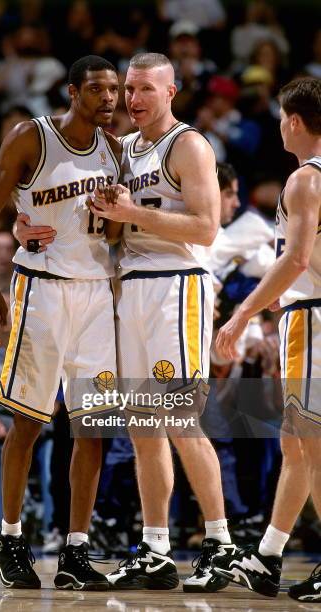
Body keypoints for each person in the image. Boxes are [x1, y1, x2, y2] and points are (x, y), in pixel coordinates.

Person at [89, 53, 235, 592]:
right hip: (131, 289)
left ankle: (220, 543)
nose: (133, 98)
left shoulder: (189, 145)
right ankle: (155, 549)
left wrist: (132, 215)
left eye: (146, 89)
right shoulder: (123, 150)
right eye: (129, 88)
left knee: (180, 420)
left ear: (171, 91)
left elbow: (205, 228)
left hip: (177, 287)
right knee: (142, 428)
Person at [0, 55, 121, 590]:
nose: (109, 98)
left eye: (115, 90)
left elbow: (113, 234)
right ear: (72, 91)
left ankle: (76, 550)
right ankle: (10, 538)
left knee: (92, 430)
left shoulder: (114, 150)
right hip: (41, 291)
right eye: (98, 89)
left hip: (96, 297)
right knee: (28, 423)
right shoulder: (31, 138)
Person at [213, 76, 321, 602]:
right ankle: (269, 555)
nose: (279, 125)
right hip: (308, 309)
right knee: (297, 443)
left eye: (282, 117)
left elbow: (297, 258)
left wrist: (240, 314)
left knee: (314, 447)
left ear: (295, 121)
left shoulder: (305, 179)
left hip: (315, 322)